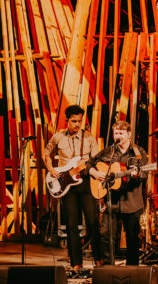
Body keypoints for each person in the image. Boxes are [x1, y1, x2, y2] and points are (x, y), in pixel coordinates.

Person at [43, 105, 102, 271]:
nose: (77, 124)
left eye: (79, 121)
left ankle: (99, 260)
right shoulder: (58, 137)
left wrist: (92, 168)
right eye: (74, 121)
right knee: (71, 224)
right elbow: (46, 153)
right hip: (66, 185)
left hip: (85, 182)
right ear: (67, 120)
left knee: (92, 222)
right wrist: (51, 169)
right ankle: (76, 264)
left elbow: (96, 160)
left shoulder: (89, 138)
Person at [93, 120, 149, 266]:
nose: (118, 136)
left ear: (129, 134)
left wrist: (138, 174)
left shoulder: (138, 152)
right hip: (112, 201)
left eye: (121, 133)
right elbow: (89, 164)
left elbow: (145, 173)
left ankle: (132, 269)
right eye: (116, 133)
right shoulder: (109, 151)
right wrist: (95, 173)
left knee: (132, 238)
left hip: (132, 202)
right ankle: (108, 267)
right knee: (107, 236)